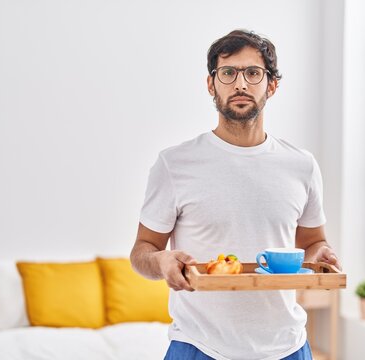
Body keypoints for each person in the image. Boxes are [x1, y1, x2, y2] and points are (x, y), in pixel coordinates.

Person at [130, 29, 341, 360]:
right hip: (198, 346)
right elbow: (142, 251)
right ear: (211, 84)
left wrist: (322, 255)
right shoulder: (174, 163)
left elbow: (313, 242)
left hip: (287, 347)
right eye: (228, 73)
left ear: (271, 85)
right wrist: (159, 261)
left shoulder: (302, 165)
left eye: (253, 73)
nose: (240, 84)